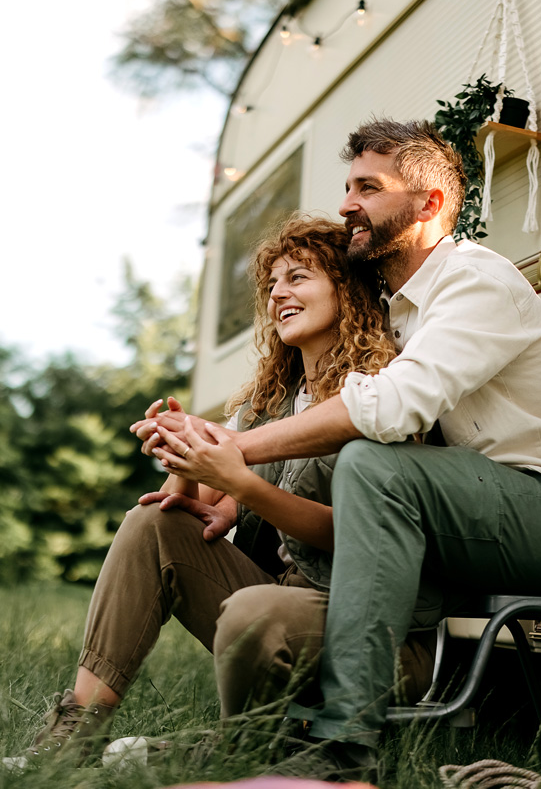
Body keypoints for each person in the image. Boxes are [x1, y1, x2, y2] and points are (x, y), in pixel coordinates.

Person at [135, 118, 541, 779]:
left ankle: (342, 752)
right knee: (365, 472)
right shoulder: (397, 310)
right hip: (479, 522)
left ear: (429, 205)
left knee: (376, 461)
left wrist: (234, 448)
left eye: (368, 187)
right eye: (348, 186)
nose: (347, 205)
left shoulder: (474, 280)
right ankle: (280, 739)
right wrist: (219, 482)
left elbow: (393, 407)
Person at [11, 214, 438, 767]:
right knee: (151, 524)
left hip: (377, 632)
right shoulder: (268, 403)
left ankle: (237, 751)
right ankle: (74, 736)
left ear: (348, 289)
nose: (278, 292)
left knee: (254, 609)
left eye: (299, 277)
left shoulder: (386, 394)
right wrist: (185, 450)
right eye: (273, 283)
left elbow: (367, 539)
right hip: (274, 600)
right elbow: (179, 505)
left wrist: (242, 484)